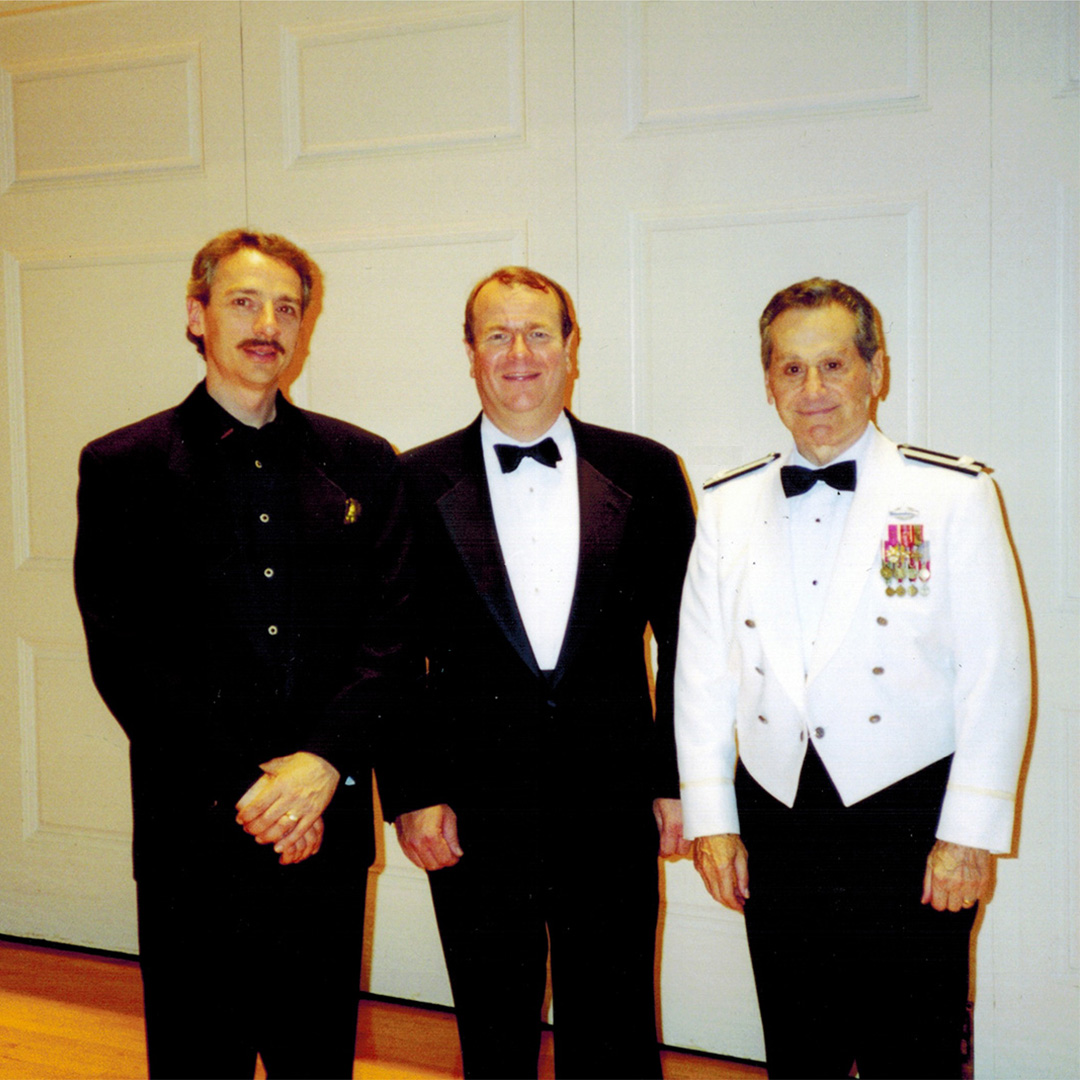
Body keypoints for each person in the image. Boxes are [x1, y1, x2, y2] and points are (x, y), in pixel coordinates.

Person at [73, 229, 412, 1079]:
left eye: (288, 307)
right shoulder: (124, 467)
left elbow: (391, 636)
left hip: (324, 829)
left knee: (316, 1060)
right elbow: (127, 657)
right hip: (195, 829)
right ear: (196, 317)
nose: (269, 324)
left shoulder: (364, 465)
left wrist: (320, 769)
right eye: (243, 302)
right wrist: (254, 788)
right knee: (197, 1060)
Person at [674, 277, 1031, 1079]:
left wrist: (968, 832)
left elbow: (996, 671)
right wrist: (712, 815)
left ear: (877, 372)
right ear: (767, 381)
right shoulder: (728, 506)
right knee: (799, 1046)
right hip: (778, 810)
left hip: (907, 815)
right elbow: (699, 671)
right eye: (791, 370)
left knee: (917, 1048)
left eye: (833, 365)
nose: (814, 390)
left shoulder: (950, 496)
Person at [390, 267, 696, 1079]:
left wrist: (677, 779)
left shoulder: (648, 473)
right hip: (472, 809)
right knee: (493, 1024)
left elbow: (686, 640)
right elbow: (391, 653)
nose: (518, 353)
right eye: (496, 334)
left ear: (570, 349)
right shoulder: (413, 484)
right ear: (468, 352)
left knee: (617, 1019)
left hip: (612, 797)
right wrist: (413, 791)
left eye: (537, 333)